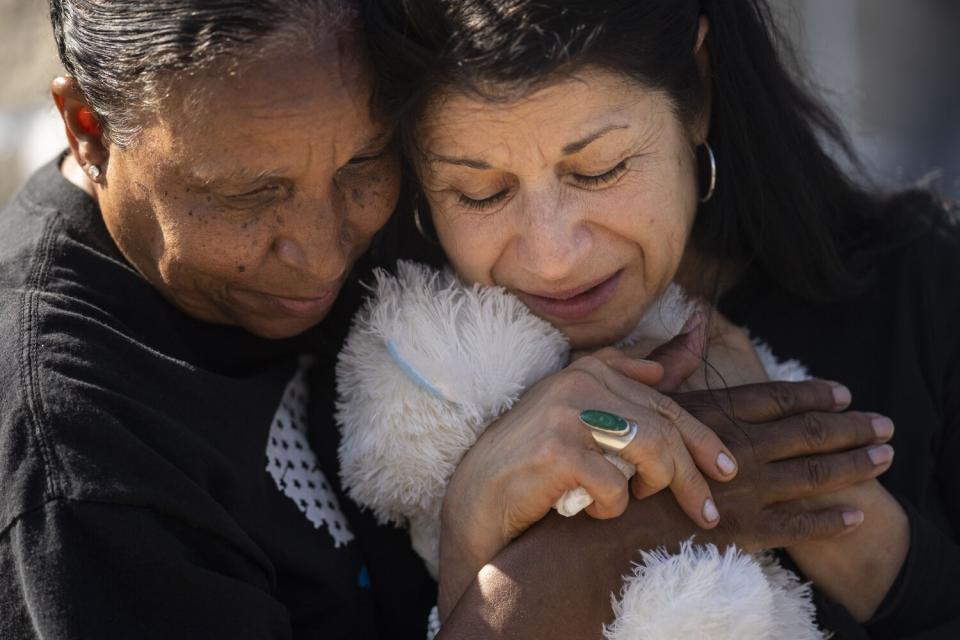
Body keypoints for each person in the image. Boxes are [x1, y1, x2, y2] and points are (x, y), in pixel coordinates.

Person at [0, 1, 903, 638]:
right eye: (248, 197)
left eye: (366, 165)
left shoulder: (417, 234)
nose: (322, 255)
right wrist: (581, 549)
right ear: (88, 128)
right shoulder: (78, 469)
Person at [361, 0, 960, 638]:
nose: (553, 257)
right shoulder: (388, 390)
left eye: (600, 169)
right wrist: (471, 532)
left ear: (696, 92)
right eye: (483, 193)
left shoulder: (923, 288)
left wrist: (795, 480)